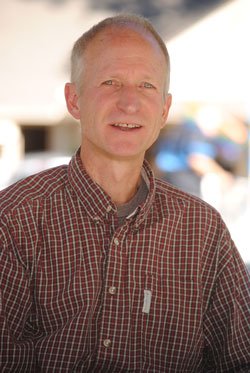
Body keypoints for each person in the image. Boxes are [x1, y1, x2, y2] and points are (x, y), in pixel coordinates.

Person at [0, 14, 249, 373]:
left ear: (164, 109)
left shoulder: (203, 232)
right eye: (110, 82)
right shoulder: (13, 222)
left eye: (147, 86)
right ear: (74, 100)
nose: (129, 103)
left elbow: (239, 363)